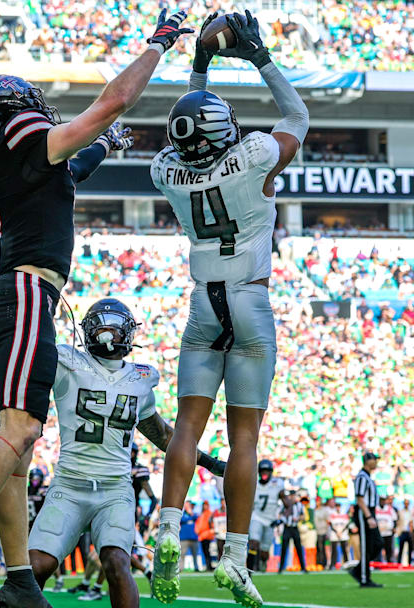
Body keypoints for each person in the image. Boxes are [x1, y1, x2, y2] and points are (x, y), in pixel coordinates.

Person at [0, 10, 193, 608]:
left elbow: (67, 171)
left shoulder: (14, 159)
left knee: (15, 455)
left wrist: (99, 147)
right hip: (24, 294)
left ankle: (20, 580)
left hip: (17, 296)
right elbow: (115, 99)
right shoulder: (21, 134)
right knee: (21, 432)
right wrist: (159, 45)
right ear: (12, 108)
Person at [151, 9, 308, 608]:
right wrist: (260, 57)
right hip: (250, 301)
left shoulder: (166, 171)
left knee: (187, 424)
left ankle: (167, 532)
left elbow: (185, 132)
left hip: (202, 305)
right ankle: (236, 560)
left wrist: (199, 66)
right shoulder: (254, 158)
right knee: (244, 438)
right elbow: (298, 116)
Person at [27, 298, 225, 608]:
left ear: (129, 334)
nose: (109, 335)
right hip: (69, 484)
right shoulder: (67, 362)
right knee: (36, 567)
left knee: (117, 563)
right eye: (102, 328)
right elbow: (35, 344)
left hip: (114, 490)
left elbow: (161, 433)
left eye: (115, 329)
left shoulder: (140, 380)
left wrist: (207, 461)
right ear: (89, 332)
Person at [247, 460, 289, 572]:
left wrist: (282, 519)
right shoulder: (253, 483)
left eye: (267, 471)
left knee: (265, 551)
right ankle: (248, 573)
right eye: (262, 471)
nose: (265, 473)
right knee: (253, 543)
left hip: (270, 521)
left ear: (271, 472)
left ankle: (263, 560)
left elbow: (288, 505)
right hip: (256, 517)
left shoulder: (277, 484)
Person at [348, 452, 381, 588]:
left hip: (369, 511)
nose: (376, 462)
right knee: (367, 545)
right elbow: (360, 499)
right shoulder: (362, 477)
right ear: (368, 461)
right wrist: (368, 516)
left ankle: (359, 570)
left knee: (377, 543)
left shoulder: (367, 477)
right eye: (374, 460)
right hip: (364, 512)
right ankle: (363, 578)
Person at [278, 491, 307, 573]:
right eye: (291, 496)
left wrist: (298, 518)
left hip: (294, 528)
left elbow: (303, 516)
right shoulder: (284, 505)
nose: (292, 497)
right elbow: (279, 514)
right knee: (284, 548)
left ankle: (303, 567)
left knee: (298, 548)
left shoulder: (299, 505)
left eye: (294, 496)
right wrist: (283, 519)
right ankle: (281, 568)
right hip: (287, 527)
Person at [374, 496, 397, 564]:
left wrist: (394, 527)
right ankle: (377, 563)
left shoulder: (390, 509)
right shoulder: (376, 509)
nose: (382, 502)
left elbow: (395, 519)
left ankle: (389, 562)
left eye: (383, 500)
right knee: (377, 549)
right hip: (379, 533)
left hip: (388, 533)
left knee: (388, 549)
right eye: (381, 500)